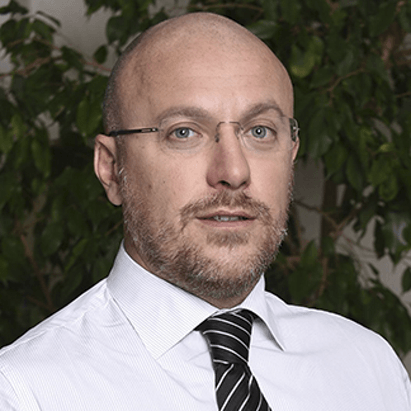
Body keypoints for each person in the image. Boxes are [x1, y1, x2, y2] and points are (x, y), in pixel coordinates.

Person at [0, 12, 410, 411]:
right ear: (111, 168)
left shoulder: (369, 367)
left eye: (260, 131)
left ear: (291, 155)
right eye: (183, 132)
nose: (234, 171)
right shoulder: (24, 392)